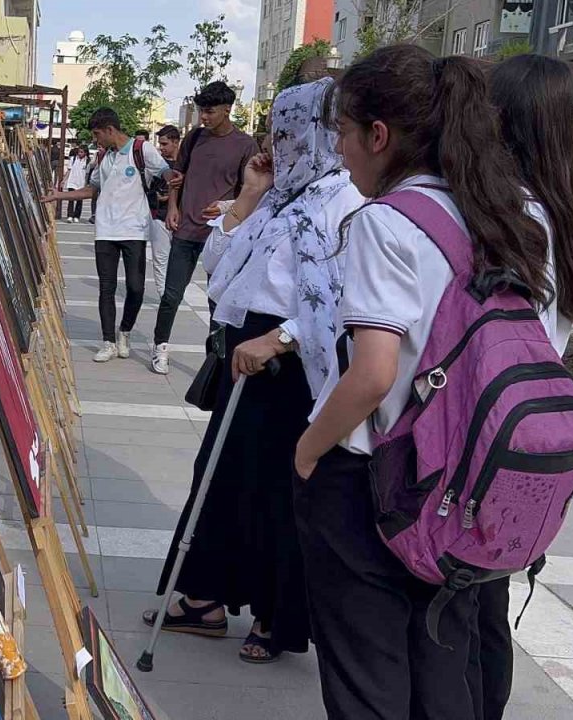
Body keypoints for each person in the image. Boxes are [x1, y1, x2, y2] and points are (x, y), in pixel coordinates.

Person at [291, 45, 561, 719]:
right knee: (446, 657)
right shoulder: (505, 213)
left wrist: (307, 451)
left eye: (345, 135)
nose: (341, 153)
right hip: (467, 474)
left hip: (376, 479)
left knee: (367, 672)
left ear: (379, 136)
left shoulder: (386, 223)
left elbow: (375, 372)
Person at [142, 78, 363, 664]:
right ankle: (207, 598)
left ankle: (274, 615)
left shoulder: (343, 199)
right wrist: (248, 195)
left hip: (293, 364)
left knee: (278, 489)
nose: (277, 143)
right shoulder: (280, 195)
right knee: (220, 476)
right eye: (274, 132)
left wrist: (281, 338)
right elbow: (220, 270)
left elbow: (343, 300)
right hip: (244, 347)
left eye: (287, 133)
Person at [471, 53, 573, 720]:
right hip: (532, 429)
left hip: (483, 427)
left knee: (461, 599)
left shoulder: (509, 214)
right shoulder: (566, 213)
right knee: (487, 597)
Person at [42, 107, 171, 362]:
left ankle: (124, 330)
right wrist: (60, 196)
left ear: (110, 130)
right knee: (106, 287)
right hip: (105, 230)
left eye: (97, 134)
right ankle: (108, 342)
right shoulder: (103, 158)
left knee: (135, 287)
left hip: (134, 229)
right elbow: (92, 189)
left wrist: (173, 182)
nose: (95, 140)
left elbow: (164, 171)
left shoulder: (141, 149)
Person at [154, 82, 259, 374]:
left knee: (217, 302)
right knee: (171, 295)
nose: (204, 117)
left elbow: (251, 191)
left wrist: (226, 207)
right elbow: (178, 176)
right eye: (202, 110)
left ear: (227, 110)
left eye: (210, 111)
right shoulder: (194, 138)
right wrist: (173, 207)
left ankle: (214, 363)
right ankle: (159, 347)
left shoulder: (246, 145)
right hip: (186, 227)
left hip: (221, 234)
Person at [150, 125, 183, 296]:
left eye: (164, 144)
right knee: (160, 259)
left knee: (178, 260)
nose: (161, 148)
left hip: (182, 219)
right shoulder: (157, 165)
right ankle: (164, 296)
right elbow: (150, 189)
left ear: (176, 142)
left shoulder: (186, 164)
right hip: (159, 217)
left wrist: (171, 197)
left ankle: (173, 293)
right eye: (160, 144)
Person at [62, 147, 90, 223]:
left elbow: (87, 174)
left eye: (82, 152)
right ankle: (70, 215)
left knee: (79, 200)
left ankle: (77, 216)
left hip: (81, 183)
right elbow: (69, 170)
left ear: (85, 153)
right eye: (79, 152)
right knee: (71, 199)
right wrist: (64, 180)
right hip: (72, 181)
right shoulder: (73, 159)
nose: (80, 153)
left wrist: (86, 183)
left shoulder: (87, 161)